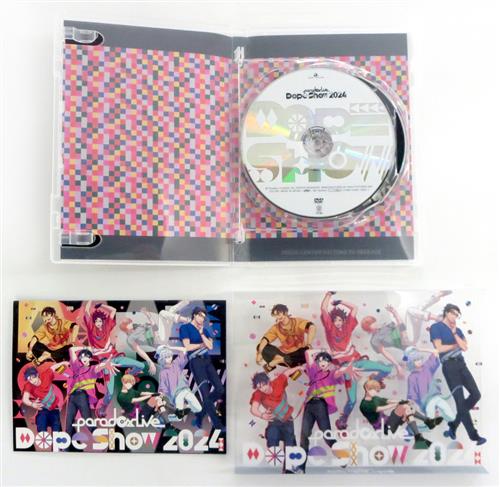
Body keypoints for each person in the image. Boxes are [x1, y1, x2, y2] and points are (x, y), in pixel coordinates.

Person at [320, 292, 392, 430]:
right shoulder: (330, 329)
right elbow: (323, 308)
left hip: (357, 362)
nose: (338, 323)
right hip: (346, 368)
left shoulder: (347, 327)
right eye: (335, 320)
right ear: (332, 321)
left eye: (340, 320)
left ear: (344, 320)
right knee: (352, 400)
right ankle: (343, 419)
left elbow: (354, 308)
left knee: (387, 368)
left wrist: (340, 301)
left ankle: (374, 380)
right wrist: (328, 294)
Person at [429, 304, 486, 445]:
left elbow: (465, 347)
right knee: (460, 402)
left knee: (476, 394)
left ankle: (453, 425)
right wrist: (456, 345)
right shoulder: (436, 327)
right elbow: (439, 348)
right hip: (449, 367)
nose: (455, 316)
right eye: (453, 313)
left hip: (462, 364)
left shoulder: (458, 330)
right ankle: (474, 436)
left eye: (457, 315)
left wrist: (454, 334)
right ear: (446, 312)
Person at [297, 350, 348, 473]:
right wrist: (321, 351)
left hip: (321, 405)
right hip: (309, 405)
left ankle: (342, 457)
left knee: (327, 435)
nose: (322, 362)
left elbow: (340, 373)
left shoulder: (332, 373)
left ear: (329, 362)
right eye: (319, 360)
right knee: (304, 436)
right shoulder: (313, 371)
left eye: (325, 360)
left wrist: (344, 368)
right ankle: (301, 468)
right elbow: (308, 352)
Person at [360, 379, 442, 449]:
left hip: (389, 422)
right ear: (366, 388)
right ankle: (426, 425)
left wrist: (402, 401)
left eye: (377, 390)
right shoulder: (364, 405)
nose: (375, 392)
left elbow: (388, 401)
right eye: (374, 390)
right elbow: (380, 408)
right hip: (384, 429)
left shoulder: (375, 398)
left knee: (406, 407)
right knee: (404, 407)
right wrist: (398, 404)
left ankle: (421, 434)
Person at [179, 307, 224, 430]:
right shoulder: (185, 328)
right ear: (194, 315)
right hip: (196, 362)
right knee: (205, 394)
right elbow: (187, 347)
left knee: (220, 389)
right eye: (200, 316)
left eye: (204, 317)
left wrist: (202, 334)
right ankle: (218, 425)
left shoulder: (204, 330)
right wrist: (201, 344)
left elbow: (210, 346)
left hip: (207, 361)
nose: (202, 319)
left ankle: (200, 415)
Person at [250, 367, 302, 472]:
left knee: (290, 444)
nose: (263, 389)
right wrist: (262, 415)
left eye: (264, 385)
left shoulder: (278, 382)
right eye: (259, 387)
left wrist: (299, 367)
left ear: (268, 381)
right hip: (274, 422)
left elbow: (287, 372)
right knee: (272, 440)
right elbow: (253, 409)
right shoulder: (258, 394)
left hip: (287, 420)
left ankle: (289, 469)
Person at [65, 348, 117, 437]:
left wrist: (105, 365)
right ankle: (67, 441)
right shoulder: (76, 367)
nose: (84, 357)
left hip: (82, 396)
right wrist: (86, 348)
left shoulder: (92, 369)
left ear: (90, 358)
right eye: (82, 356)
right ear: (79, 359)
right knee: (69, 421)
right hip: (72, 397)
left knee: (87, 419)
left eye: (87, 356)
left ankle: (99, 438)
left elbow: (99, 367)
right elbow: (71, 349)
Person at [256, 304, 316, 373]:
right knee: (260, 346)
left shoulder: (297, 321)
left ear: (286, 312)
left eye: (279, 313)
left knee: (306, 351)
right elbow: (265, 339)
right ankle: (283, 360)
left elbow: (312, 327)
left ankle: (283, 360)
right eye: (275, 315)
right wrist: (259, 353)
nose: (278, 316)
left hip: (298, 354)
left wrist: (308, 344)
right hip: (284, 354)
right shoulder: (276, 327)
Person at [404, 346, 456, 423]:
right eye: (415, 360)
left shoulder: (427, 366)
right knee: (430, 419)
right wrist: (412, 405)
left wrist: (421, 349)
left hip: (436, 396)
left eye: (419, 358)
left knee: (450, 414)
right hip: (426, 401)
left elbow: (435, 351)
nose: (419, 361)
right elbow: (412, 395)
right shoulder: (412, 377)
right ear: (411, 362)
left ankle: (450, 421)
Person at [156, 344, 202, 420]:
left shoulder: (176, 363)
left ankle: (184, 409)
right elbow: (162, 387)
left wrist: (171, 347)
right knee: (179, 416)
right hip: (177, 394)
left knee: (198, 409)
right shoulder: (163, 373)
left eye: (170, 356)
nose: (169, 358)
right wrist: (160, 396)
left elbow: (184, 349)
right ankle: (172, 416)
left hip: (186, 390)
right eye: (166, 357)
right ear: (162, 359)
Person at [361, 305, 409, 378]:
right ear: (368, 328)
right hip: (404, 347)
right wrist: (397, 366)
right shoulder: (374, 340)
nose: (374, 323)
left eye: (373, 321)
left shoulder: (386, 326)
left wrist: (395, 313)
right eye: (371, 323)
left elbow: (401, 326)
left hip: (406, 337)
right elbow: (385, 353)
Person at [22, 363, 64, 433]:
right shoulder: (28, 385)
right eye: (30, 380)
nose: (33, 381)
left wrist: (64, 363)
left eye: (33, 377)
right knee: (41, 423)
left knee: (57, 430)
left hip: (55, 408)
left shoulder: (45, 375)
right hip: (43, 409)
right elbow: (25, 399)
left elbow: (53, 367)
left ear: (37, 375)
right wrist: (32, 404)